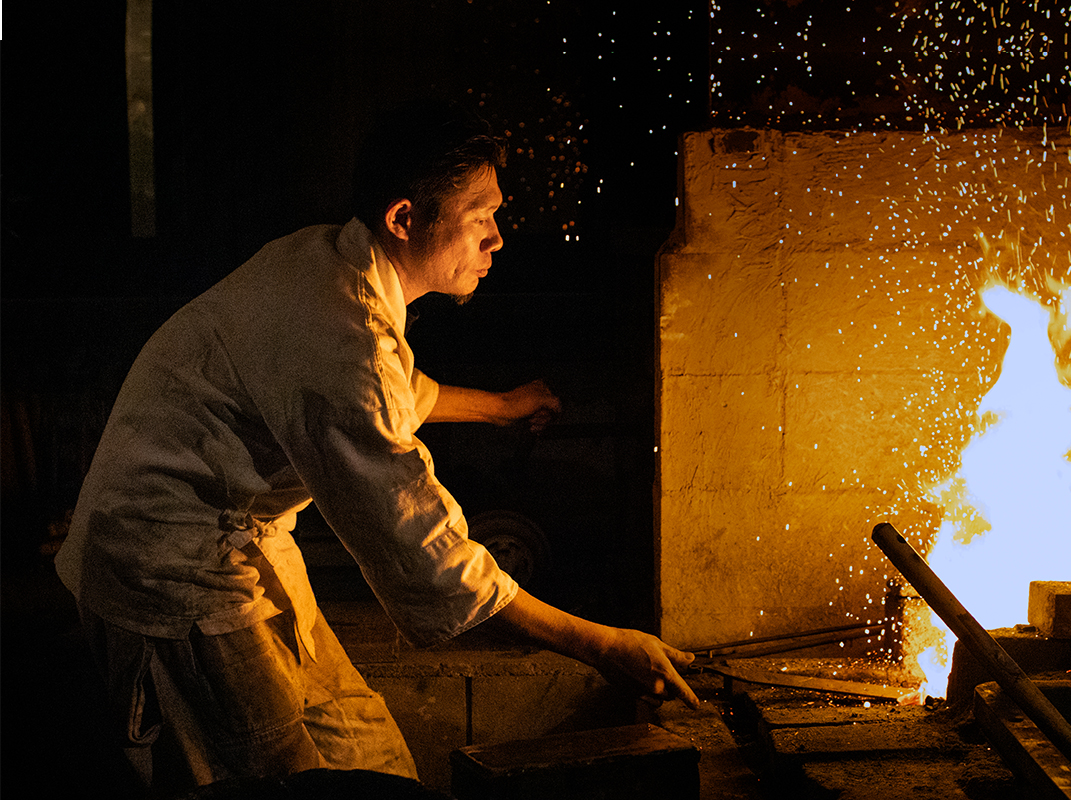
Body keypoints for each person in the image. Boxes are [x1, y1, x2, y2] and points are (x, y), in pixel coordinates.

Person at [54, 99, 697, 795]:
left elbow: (396, 394)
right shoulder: (340, 329)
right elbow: (428, 551)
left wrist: (500, 407)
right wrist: (601, 644)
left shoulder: (331, 261)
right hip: (170, 567)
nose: (498, 240)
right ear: (404, 218)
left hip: (243, 544)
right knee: (275, 777)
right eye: (481, 217)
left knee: (370, 757)